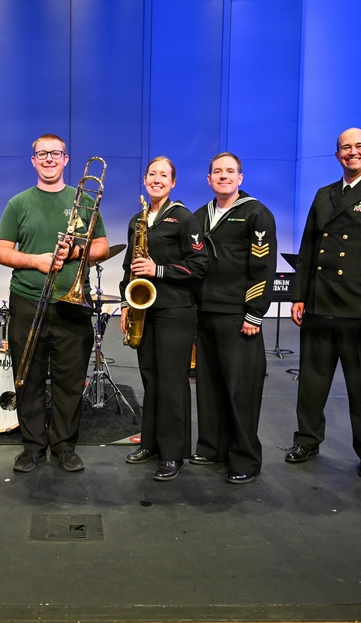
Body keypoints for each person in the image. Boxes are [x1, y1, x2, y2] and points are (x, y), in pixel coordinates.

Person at [286, 128, 361, 479]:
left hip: (360, 311)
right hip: (319, 306)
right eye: (345, 148)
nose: (351, 152)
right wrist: (298, 295)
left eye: (358, 147)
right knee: (311, 382)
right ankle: (307, 440)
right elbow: (309, 248)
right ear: (337, 154)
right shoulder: (324, 195)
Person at [0, 134, 109, 473]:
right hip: (28, 300)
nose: (48, 159)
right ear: (33, 160)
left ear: (66, 158)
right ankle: (32, 446)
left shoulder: (84, 198)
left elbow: (102, 247)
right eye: (41, 154)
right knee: (27, 377)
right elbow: (2, 251)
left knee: (69, 380)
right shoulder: (18, 203)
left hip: (72, 303)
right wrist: (36, 261)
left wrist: (75, 252)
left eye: (55, 153)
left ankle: (63, 446)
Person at [191, 152, 277, 484]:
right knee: (209, 387)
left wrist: (255, 314)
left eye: (230, 171)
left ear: (240, 178)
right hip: (205, 314)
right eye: (217, 171)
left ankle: (245, 457)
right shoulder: (200, 215)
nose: (223, 176)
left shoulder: (256, 214)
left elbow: (263, 268)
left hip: (238, 315)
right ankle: (212, 448)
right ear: (209, 179)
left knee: (242, 390)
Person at [120, 157, 208, 481]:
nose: (157, 179)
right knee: (150, 379)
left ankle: (174, 454)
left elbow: (199, 265)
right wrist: (126, 303)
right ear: (145, 180)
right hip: (145, 310)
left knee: (172, 383)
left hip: (175, 311)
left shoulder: (184, 218)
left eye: (163, 175)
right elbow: (128, 266)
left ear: (173, 183)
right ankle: (151, 444)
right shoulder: (137, 220)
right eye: (152, 174)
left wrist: (158, 270)